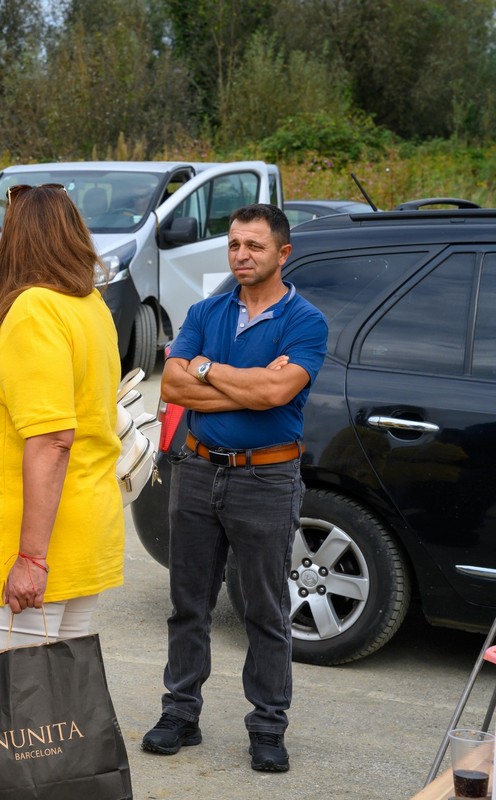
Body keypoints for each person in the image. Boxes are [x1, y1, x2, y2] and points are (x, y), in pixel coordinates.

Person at [140, 203, 328, 773]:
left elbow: (276, 393)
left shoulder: (306, 322)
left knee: (265, 610)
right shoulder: (205, 309)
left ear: (282, 254)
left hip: (267, 478)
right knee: (187, 603)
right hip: (196, 470)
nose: (242, 255)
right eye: (234, 245)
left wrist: (204, 368)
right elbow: (172, 386)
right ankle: (180, 713)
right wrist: (239, 382)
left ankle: (268, 725)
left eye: (255, 246)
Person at [0, 183, 124, 652]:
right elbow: (23, 389)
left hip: (32, 540)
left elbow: (53, 436)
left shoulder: (34, 311)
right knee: (61, 709)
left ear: (14, 240)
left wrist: (31, 558)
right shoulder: (88, 305)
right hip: (81, 524)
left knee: (18, 713)